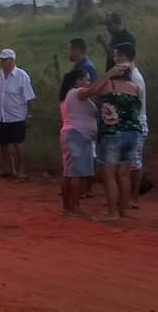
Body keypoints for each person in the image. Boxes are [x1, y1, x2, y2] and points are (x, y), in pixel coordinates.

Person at [89, 56, 143, 221]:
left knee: (109, 174)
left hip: (113, 132)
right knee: (124, 174)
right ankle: (123, 210)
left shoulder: (108, 85)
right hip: (133, 133)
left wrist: (107, 75)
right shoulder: (136, 88)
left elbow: (91, 91)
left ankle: (113, 213)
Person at [59, 69, 98, 217]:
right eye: (86, 79)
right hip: (77, 135)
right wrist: (110, 75)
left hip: (73, 134)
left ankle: (68, 207)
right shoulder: (77, 93)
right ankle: (74, 207)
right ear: (78, 80)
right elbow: (93, 90)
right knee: (77, 173)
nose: (89, 83)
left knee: (69, 172)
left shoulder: (67, 96)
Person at [0, 48, 36, 180]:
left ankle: (21, 171)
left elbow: (30, 98)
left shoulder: (22, 76)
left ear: (11, 60)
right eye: (1, 59)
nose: (2, 62)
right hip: (3, 117)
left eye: (4, 59)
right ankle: (7, 170)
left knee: (18, 144)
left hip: (17, 116)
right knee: (3, 144)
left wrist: (29, 115)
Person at [126, 50, 149, 206]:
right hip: (134, 123)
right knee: (132, 162)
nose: (115, 59)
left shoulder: (134, 77)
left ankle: (134, 197)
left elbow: (136, 103)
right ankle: (131, 196)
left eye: (117, 55)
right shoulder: (133, 75)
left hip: (136, 123)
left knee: (134, 163)